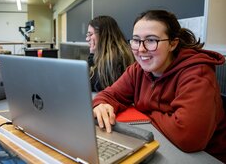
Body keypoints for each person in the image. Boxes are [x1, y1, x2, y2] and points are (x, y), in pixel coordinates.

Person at [92, 10, 226, 162]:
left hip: (206, 157)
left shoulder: (197, 73)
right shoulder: (137, 69)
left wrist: (144, 111)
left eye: (151, 40)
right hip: (163, 143)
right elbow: (109, 95)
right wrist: (101, 104)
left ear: (172, 44)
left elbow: (188, 136)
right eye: (136, 40)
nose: (141, 49)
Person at [86, 16, 134, 92]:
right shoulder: (109, 54)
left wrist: (92, 54)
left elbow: (90, 84)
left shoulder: (114, 58)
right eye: (87, 35)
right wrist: (92, 54)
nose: (87, 39)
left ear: (103, 35)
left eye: (90, 34)